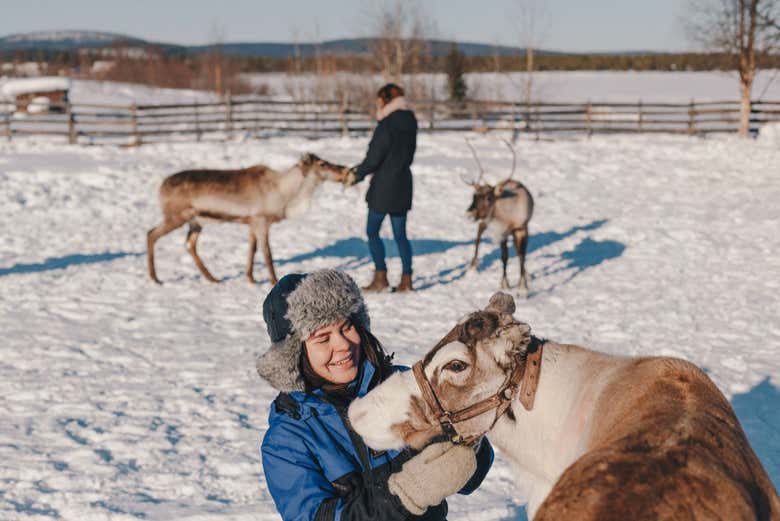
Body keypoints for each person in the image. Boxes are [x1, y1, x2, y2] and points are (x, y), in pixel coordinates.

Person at [256, 269, 493, 521]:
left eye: (346, 327)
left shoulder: (402, 387)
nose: (343, 345)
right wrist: (406, 494)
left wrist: (465, 438)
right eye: (323, 338)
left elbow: (471, 478)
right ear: (295, 356)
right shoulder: (287, 439)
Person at [344, 84, 418, 293]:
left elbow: (374, 157)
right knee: (400, 235)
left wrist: (357, 174)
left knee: (372, 231)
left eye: (379, 100)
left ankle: (380, 277)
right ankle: (407, 280)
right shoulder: (411, 121)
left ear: (385, 100)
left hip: (385, 186)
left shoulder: (386, 124)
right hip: (403, 182)